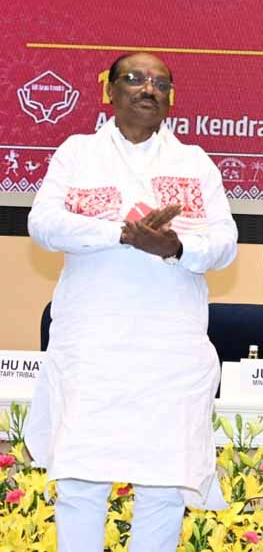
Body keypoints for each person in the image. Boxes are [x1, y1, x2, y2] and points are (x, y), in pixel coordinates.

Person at [26, 52, 238, 551]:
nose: (148, 89)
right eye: (135, 79)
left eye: (160, 83)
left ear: (170, 98)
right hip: (92, 345)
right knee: (81, 479)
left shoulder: (194, 161)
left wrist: (176, 247)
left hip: (170, 350)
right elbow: (43, 224)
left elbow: (226, 243)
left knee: (164, 484)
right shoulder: (78, 153)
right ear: (110, 90)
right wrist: (121, 233)